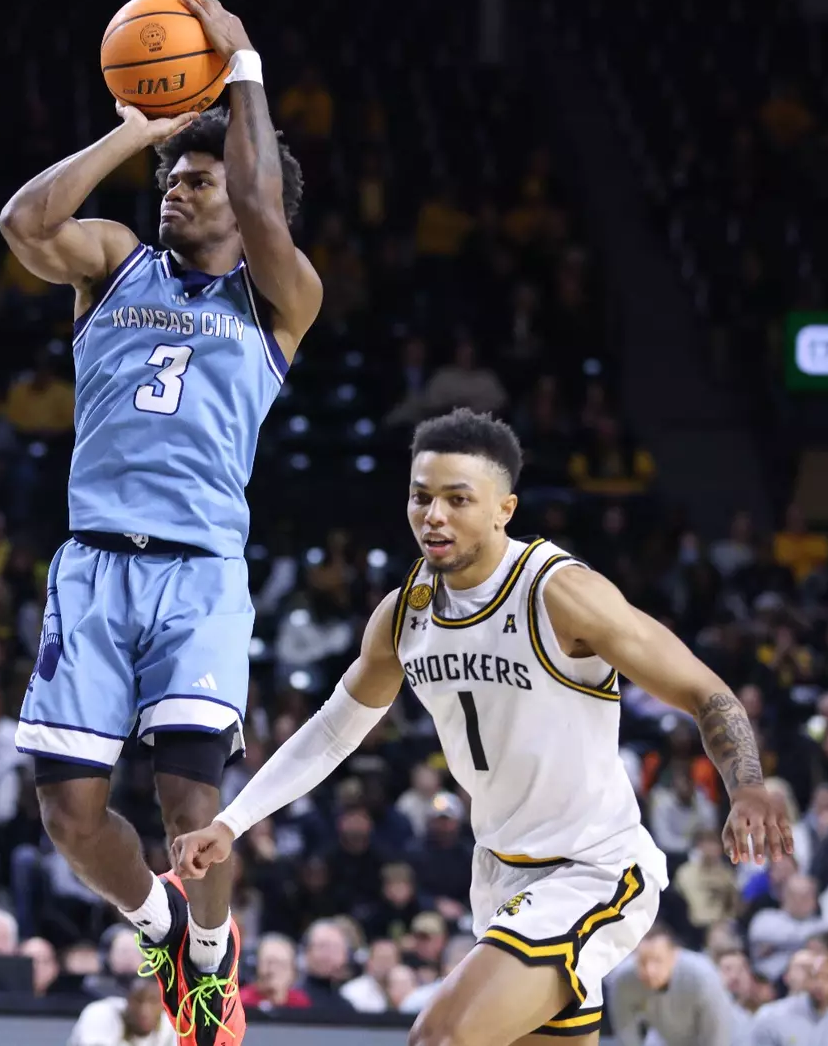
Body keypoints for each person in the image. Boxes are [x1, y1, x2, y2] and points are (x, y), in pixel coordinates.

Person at [172, 408, 792, 1046]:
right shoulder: (405, 612)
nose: (432, 515)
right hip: (497, 872)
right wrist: (231, 822)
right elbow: (334, 730)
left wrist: (745, 784)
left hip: (592, 870)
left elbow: (703, 689)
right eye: (421, 497)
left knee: (438, 1038)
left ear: (504, 509)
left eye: (456, 499)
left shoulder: (558, 593)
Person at [0, 0, 322, 1046]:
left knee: (192, 810)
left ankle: (213, 963)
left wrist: (243, 70)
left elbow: (264, 208)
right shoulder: (110, 265)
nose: (173, 193)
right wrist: (129, 128)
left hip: (197, 575)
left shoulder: (279, 300)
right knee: (69, 816)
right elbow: (23, 221)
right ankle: (155, 928)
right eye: (170, 180)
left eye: (197, 181)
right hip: (92, 566)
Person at [606, 923, 747, 1046]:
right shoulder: (624, 980)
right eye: (643, 962)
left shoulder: (702, 976)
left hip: (730, 1037)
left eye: (657, 960)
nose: (650, 970)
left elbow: (717, 1034)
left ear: (674, 956)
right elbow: (625, 1032)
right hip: (670, 1038)